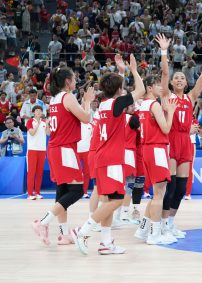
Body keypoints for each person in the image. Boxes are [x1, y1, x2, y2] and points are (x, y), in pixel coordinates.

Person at [71, 54, 145, 255]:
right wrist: (134, 70)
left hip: (102, 157)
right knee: (117, 200)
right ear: (120, 90)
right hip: (112, 159)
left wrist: (121, 71)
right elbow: (141, 90)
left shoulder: (103, 104)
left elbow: (118, 91)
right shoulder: (116, 104)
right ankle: (83, 230)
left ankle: (105, 243)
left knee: (108, 201)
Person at [159, 34, 202, 239]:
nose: (178, 79)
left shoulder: (190, 97)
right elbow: (163, 73)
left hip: (185, 142)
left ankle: (170, 223)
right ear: (172, 83)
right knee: (169, 187)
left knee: (180, 188)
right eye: (176, 77)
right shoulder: (167, 97)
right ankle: (160, 224)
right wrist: (163, 52)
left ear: (186, 83)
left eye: (182, 78)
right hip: (170, 140)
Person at [32, 66, 95, 246]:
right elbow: (86, 118)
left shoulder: (55, 99)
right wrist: (88, 101)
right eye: (74, 78)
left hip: (56, 147)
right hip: (65, 149)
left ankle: (64, 234)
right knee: (76, 191)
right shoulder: (67, 97)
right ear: (67, 82)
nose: (76, 81)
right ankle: (42, 222)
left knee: (63, 192)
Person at [134, 75, 177, 245]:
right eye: (158, 85)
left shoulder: (142, 105)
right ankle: (155, 234)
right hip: (156, 148)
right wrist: (171, 112)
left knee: (156, 193)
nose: (161, 87)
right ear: (150, 88)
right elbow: (166, 128)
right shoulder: (154, 104)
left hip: (146, 149)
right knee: (159, 193)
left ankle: (143, 229)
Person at [26, 106, 49, 200]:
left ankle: (38, 192)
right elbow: (32, 133)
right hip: (32, 149)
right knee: (31, 172)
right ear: (33, 112)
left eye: (40, 110)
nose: (39, 112)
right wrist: (38, 123)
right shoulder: (30, 121)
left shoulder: (44, 123)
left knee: (39, 172)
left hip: (42, 150)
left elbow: (48, 133)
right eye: (37, 111)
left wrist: (47, 124)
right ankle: (30, 193)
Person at [77, 121, 92, 198]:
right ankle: (76, 191)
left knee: (87, 172)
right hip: (76, 150)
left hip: (87, 151)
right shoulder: (75, 123)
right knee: (76, 172)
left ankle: (85, 191)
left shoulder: (90, 125)